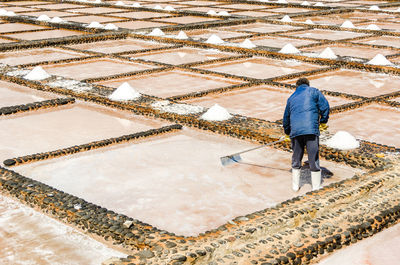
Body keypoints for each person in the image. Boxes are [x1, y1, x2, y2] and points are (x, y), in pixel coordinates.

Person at [282, 77, 330, 191]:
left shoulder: (291, 97)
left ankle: (295, 186)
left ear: (297, 86)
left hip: (296, 132)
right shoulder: (313, 91)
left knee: (296, 158)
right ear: (307, 84)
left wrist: (287, 132)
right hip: (311, 131)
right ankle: (316, 187)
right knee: (313, 158)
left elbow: (286, 118)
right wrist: (323, 121)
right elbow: (325, 106)